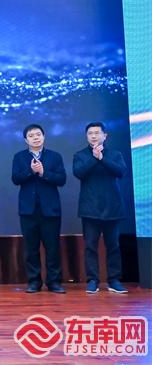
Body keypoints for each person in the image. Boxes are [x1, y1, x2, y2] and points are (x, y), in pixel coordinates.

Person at [73, 122, 128, 294]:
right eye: (90, 133)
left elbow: (120, 172)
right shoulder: (80, 155)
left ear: (105, 135)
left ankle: (114, 280)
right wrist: (94, 158)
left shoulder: (115, 154)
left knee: (113, 246)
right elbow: (79, 173)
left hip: (112, 207)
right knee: (90, 246)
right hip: (89, 208)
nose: (94, 136)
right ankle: (93, 280)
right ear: (86, 137)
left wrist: (102, 158)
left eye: (97, 133)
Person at [11, 124, 67, 293]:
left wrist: (44, 173)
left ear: (44, 136)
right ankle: (34, 282)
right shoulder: (19, 157)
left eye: (38, 134)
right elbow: (15, 179)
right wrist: (30, 171)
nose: (35, 138)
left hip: (50, 210)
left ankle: (54, 282)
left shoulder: (55, 156)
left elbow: (62, 179)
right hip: (28, 210)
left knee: (53, 248)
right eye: (31, 135)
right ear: (25, 140)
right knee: (31, 249)